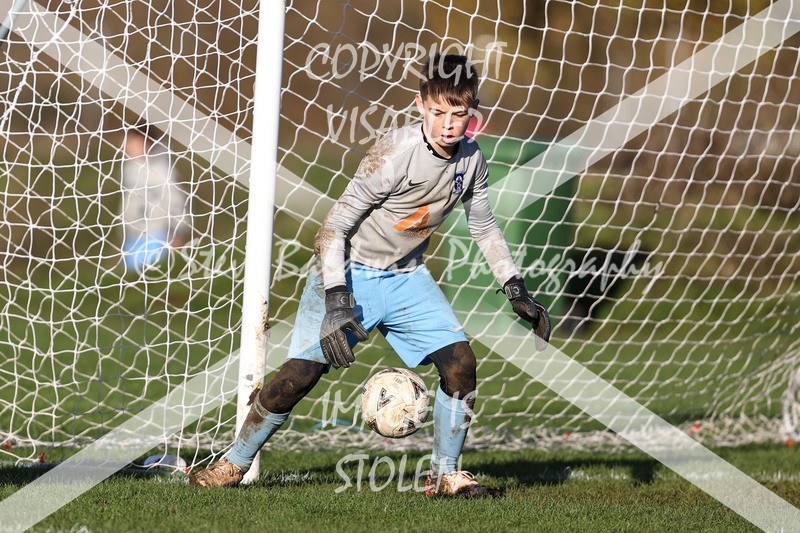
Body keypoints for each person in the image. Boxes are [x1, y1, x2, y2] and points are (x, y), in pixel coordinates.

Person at [189, 54, 551, 497]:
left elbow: (484, 225)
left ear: (471, 113)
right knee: (299, 377)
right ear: (420, 105)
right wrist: (338, 300)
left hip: (406, 277)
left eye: (459, 114)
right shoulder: (394, 153)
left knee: (460, 364)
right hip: (347, 274)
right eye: (438, 112)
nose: (448, 125)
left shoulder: (471, 160)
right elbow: (333, 228)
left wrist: (513, 286)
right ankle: (233, 463)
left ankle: (446, 475)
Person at [119, 124, 189, 272]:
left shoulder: (161, 170)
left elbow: (175, 200)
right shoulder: (130, 168)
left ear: (146, 142)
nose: (125, 145)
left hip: (157, 233)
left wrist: (176, 230)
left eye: (131, 141)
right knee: (132, 278)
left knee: (152, 275)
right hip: (134, 234)